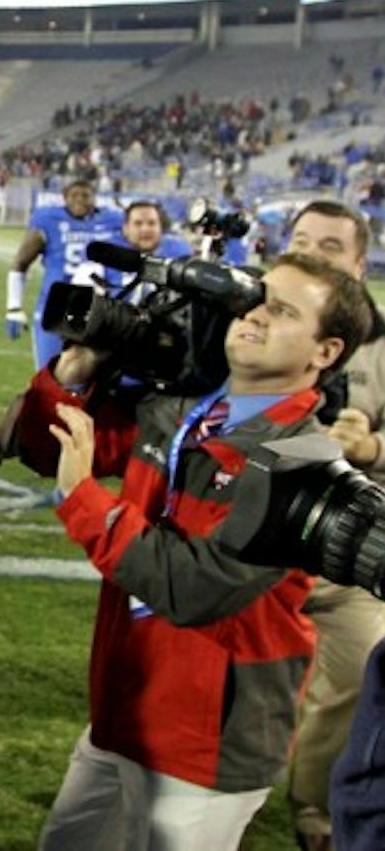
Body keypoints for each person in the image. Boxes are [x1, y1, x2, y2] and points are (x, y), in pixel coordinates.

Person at [12, 252, 373, 850]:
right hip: (125, 708)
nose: (253, 317)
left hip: (207, 744)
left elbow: (193, 588)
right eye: (254, 301)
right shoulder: (182, 411)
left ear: (325, 352)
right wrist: (73, 374)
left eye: (281, 312)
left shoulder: (305, 464)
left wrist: (83, 499)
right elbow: (44, 447)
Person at [281, 200, 385, 851]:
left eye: (329, 245)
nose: (313, 253)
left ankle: (315, 813)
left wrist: (373, 448)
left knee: (352, 675)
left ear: (357, 261)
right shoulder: (251, 320)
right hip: (253, 544)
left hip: (349, 553)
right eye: (300, 240)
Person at [6, 178, 124, 368]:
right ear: (64, 198)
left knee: (94, 381)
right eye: (74, 195)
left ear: (94, 198)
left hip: (99, 310)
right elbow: (21, 262)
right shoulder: (48, 219)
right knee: (50, 374)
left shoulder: (113, 220)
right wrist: (14, 307)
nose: (79, 200)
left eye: (85, 195)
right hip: (56, 307)